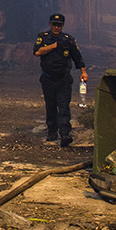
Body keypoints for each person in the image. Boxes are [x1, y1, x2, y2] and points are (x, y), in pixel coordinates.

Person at [33, 13, 88, 147]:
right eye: (54, 25)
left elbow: (77, 57)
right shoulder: (43, 38)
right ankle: (52, 131)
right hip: (48, 78)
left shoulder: (68, 40)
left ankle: (65, 134)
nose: (56, 28)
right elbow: (37, 52)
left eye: (59, 25)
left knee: (63, 107)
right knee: (50, 106)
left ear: (62, 26)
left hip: (63, 79)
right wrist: (52, 46)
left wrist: (83, 72)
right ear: (50, 25)